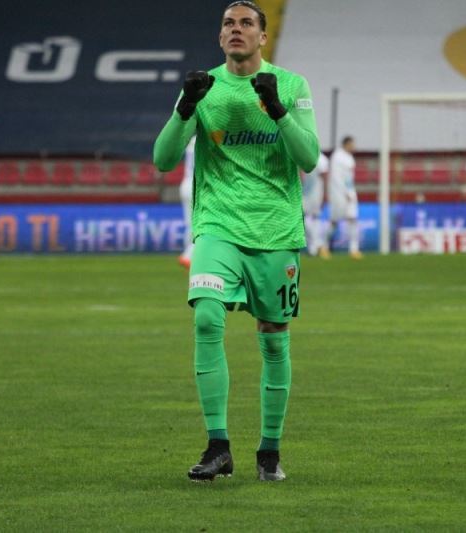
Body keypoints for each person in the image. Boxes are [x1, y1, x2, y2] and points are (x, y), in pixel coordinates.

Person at [153, 0, 319, 482]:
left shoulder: (291, 85)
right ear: (220, 35)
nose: (236, 29)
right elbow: (163, 160)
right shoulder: (203, 87)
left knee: (274, 338)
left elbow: (309, 158)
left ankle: (269, 451)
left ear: (263, 36)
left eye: (247, 23)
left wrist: (278, 110)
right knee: (207, 316)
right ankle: (218, 446)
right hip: (218, 226)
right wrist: (185, 106)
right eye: (228, 23)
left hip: (276, 231)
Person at [328, 136, 362, 259]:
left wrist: (350, 192)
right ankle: (324, 246)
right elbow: (336, 178)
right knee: (334, 221)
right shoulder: (337, 157)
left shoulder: (349, 157)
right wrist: (344, 192)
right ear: (346, 144)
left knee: (353, 219)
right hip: (339, 194)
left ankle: (354, 249)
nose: (354, 147)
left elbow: (349, 178)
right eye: (352, 144)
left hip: (350, 192)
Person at [302, 152, 330, 258]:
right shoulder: (307, 156)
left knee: (313, 219)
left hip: (316, 193)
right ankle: (317, 245)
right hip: (306, 193)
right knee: (306, 219)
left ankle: (313, 248)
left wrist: (325, 194)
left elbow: (325, 177)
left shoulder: (321, 159)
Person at [178, 137, 196, 268]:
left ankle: (188, 254)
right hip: (197, 184)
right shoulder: (210, 135)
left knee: (190, 224)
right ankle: (190, 255)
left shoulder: (193, 140)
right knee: (199, 225)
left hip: (186, 183)